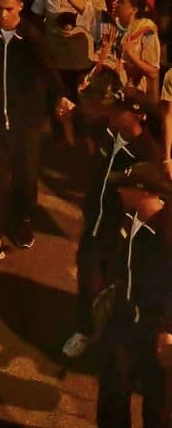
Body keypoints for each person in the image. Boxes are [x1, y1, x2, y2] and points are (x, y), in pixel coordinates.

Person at [0, 0, 74, 262]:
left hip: (27, 122)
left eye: (9, 9)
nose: (3, 15)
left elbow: (50, 70)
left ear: (21, 6)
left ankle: (23, 221)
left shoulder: (31, 38)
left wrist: (61, 96)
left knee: (26, 178)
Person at [61, 87, 161, 360]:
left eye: (120, 111)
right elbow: (78, 121)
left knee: (115, 287)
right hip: (96, 223)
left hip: (120, 232)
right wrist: (68, 116)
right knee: (88, 275)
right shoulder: (107, 131)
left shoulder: (147, 154)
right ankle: (85, 329)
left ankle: (111, 338)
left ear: (137, 115)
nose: (114, 115)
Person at [96, 162, 172, 427]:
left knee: (157, 406)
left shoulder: (166, 232)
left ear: (142, 191)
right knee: (112, 394)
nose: (120, 192)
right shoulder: (134, 220)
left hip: (153, 331)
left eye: (125, 187)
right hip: (125, 322)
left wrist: (167, 330)